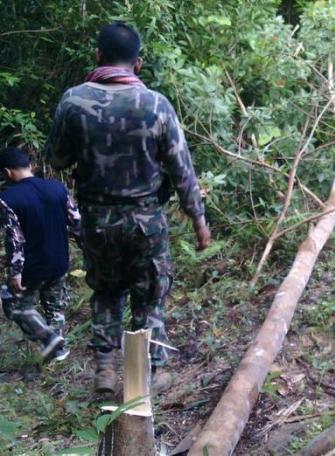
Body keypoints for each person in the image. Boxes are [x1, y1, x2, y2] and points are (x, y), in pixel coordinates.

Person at [44, 21, 211, 394]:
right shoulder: (156, 104)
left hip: (96, 220)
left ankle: (105, 370)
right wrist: (199, 220)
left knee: (105, 292)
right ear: (138, 63)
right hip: (145, 220)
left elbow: (56, 159)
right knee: (149, 293)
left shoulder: (73, 100)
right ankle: (151, 371)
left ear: (98, 56)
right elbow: (181, 168)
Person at [0, 147, 81, 363]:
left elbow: (14, 239)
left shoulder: (7, 198)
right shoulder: (58, 188)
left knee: (15, 305)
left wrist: (15, 272)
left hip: (32, 267)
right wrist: (90, 252)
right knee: (55, 307)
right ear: (30, 165)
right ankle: (58, 353)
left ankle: (49, 337)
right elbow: (77, 223)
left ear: (7, 173)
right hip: (59, 261)